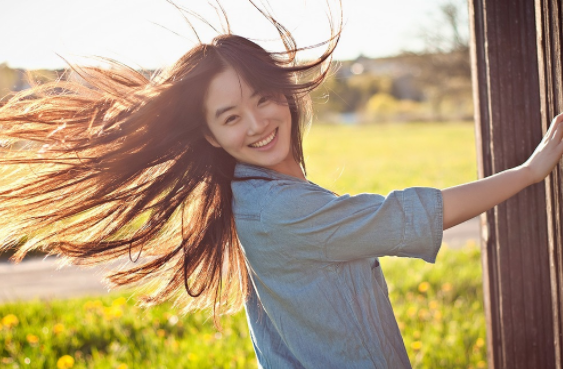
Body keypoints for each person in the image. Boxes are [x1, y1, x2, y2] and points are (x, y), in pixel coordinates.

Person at [1, 2, 562, 368]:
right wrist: (528, 172)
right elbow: (407, 215)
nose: (257, 122)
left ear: (282, 93)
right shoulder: (278, 212)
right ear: (213, 136)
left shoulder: (255, 194)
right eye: (230, 116)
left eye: (262, 98)